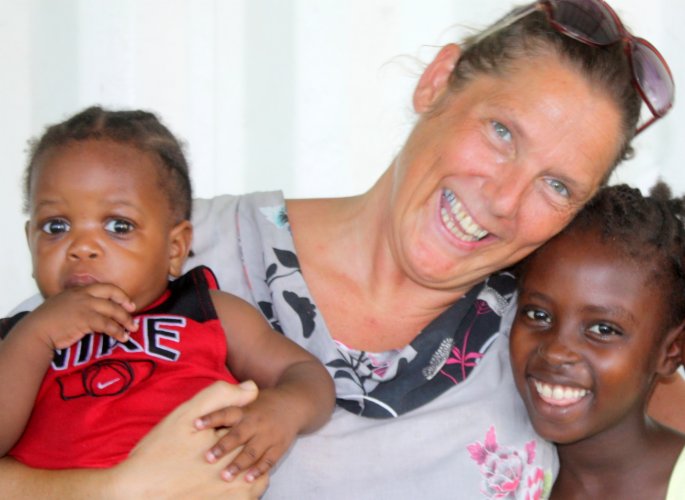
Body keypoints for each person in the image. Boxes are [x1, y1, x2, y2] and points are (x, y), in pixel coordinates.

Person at [0, 0, 680, 498]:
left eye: (557, 185)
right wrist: (114, 491)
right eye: (502, 132)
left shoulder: (543, 341)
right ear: (437, 81)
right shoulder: (168, 250)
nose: (504, 199)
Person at [0, 107, 335, 485]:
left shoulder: (206, 312)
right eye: (56, 226)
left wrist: (283, 408)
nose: (82, 247)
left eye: (118, 225)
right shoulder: (17, 340)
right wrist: (36, 335)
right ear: (30, 241)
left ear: (175, 248)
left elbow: (305, 373)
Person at [509, 183, 685, 499]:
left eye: (603, 329)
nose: (555, 352)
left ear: (671, 351)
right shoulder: (494, 475)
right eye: (538, 314)